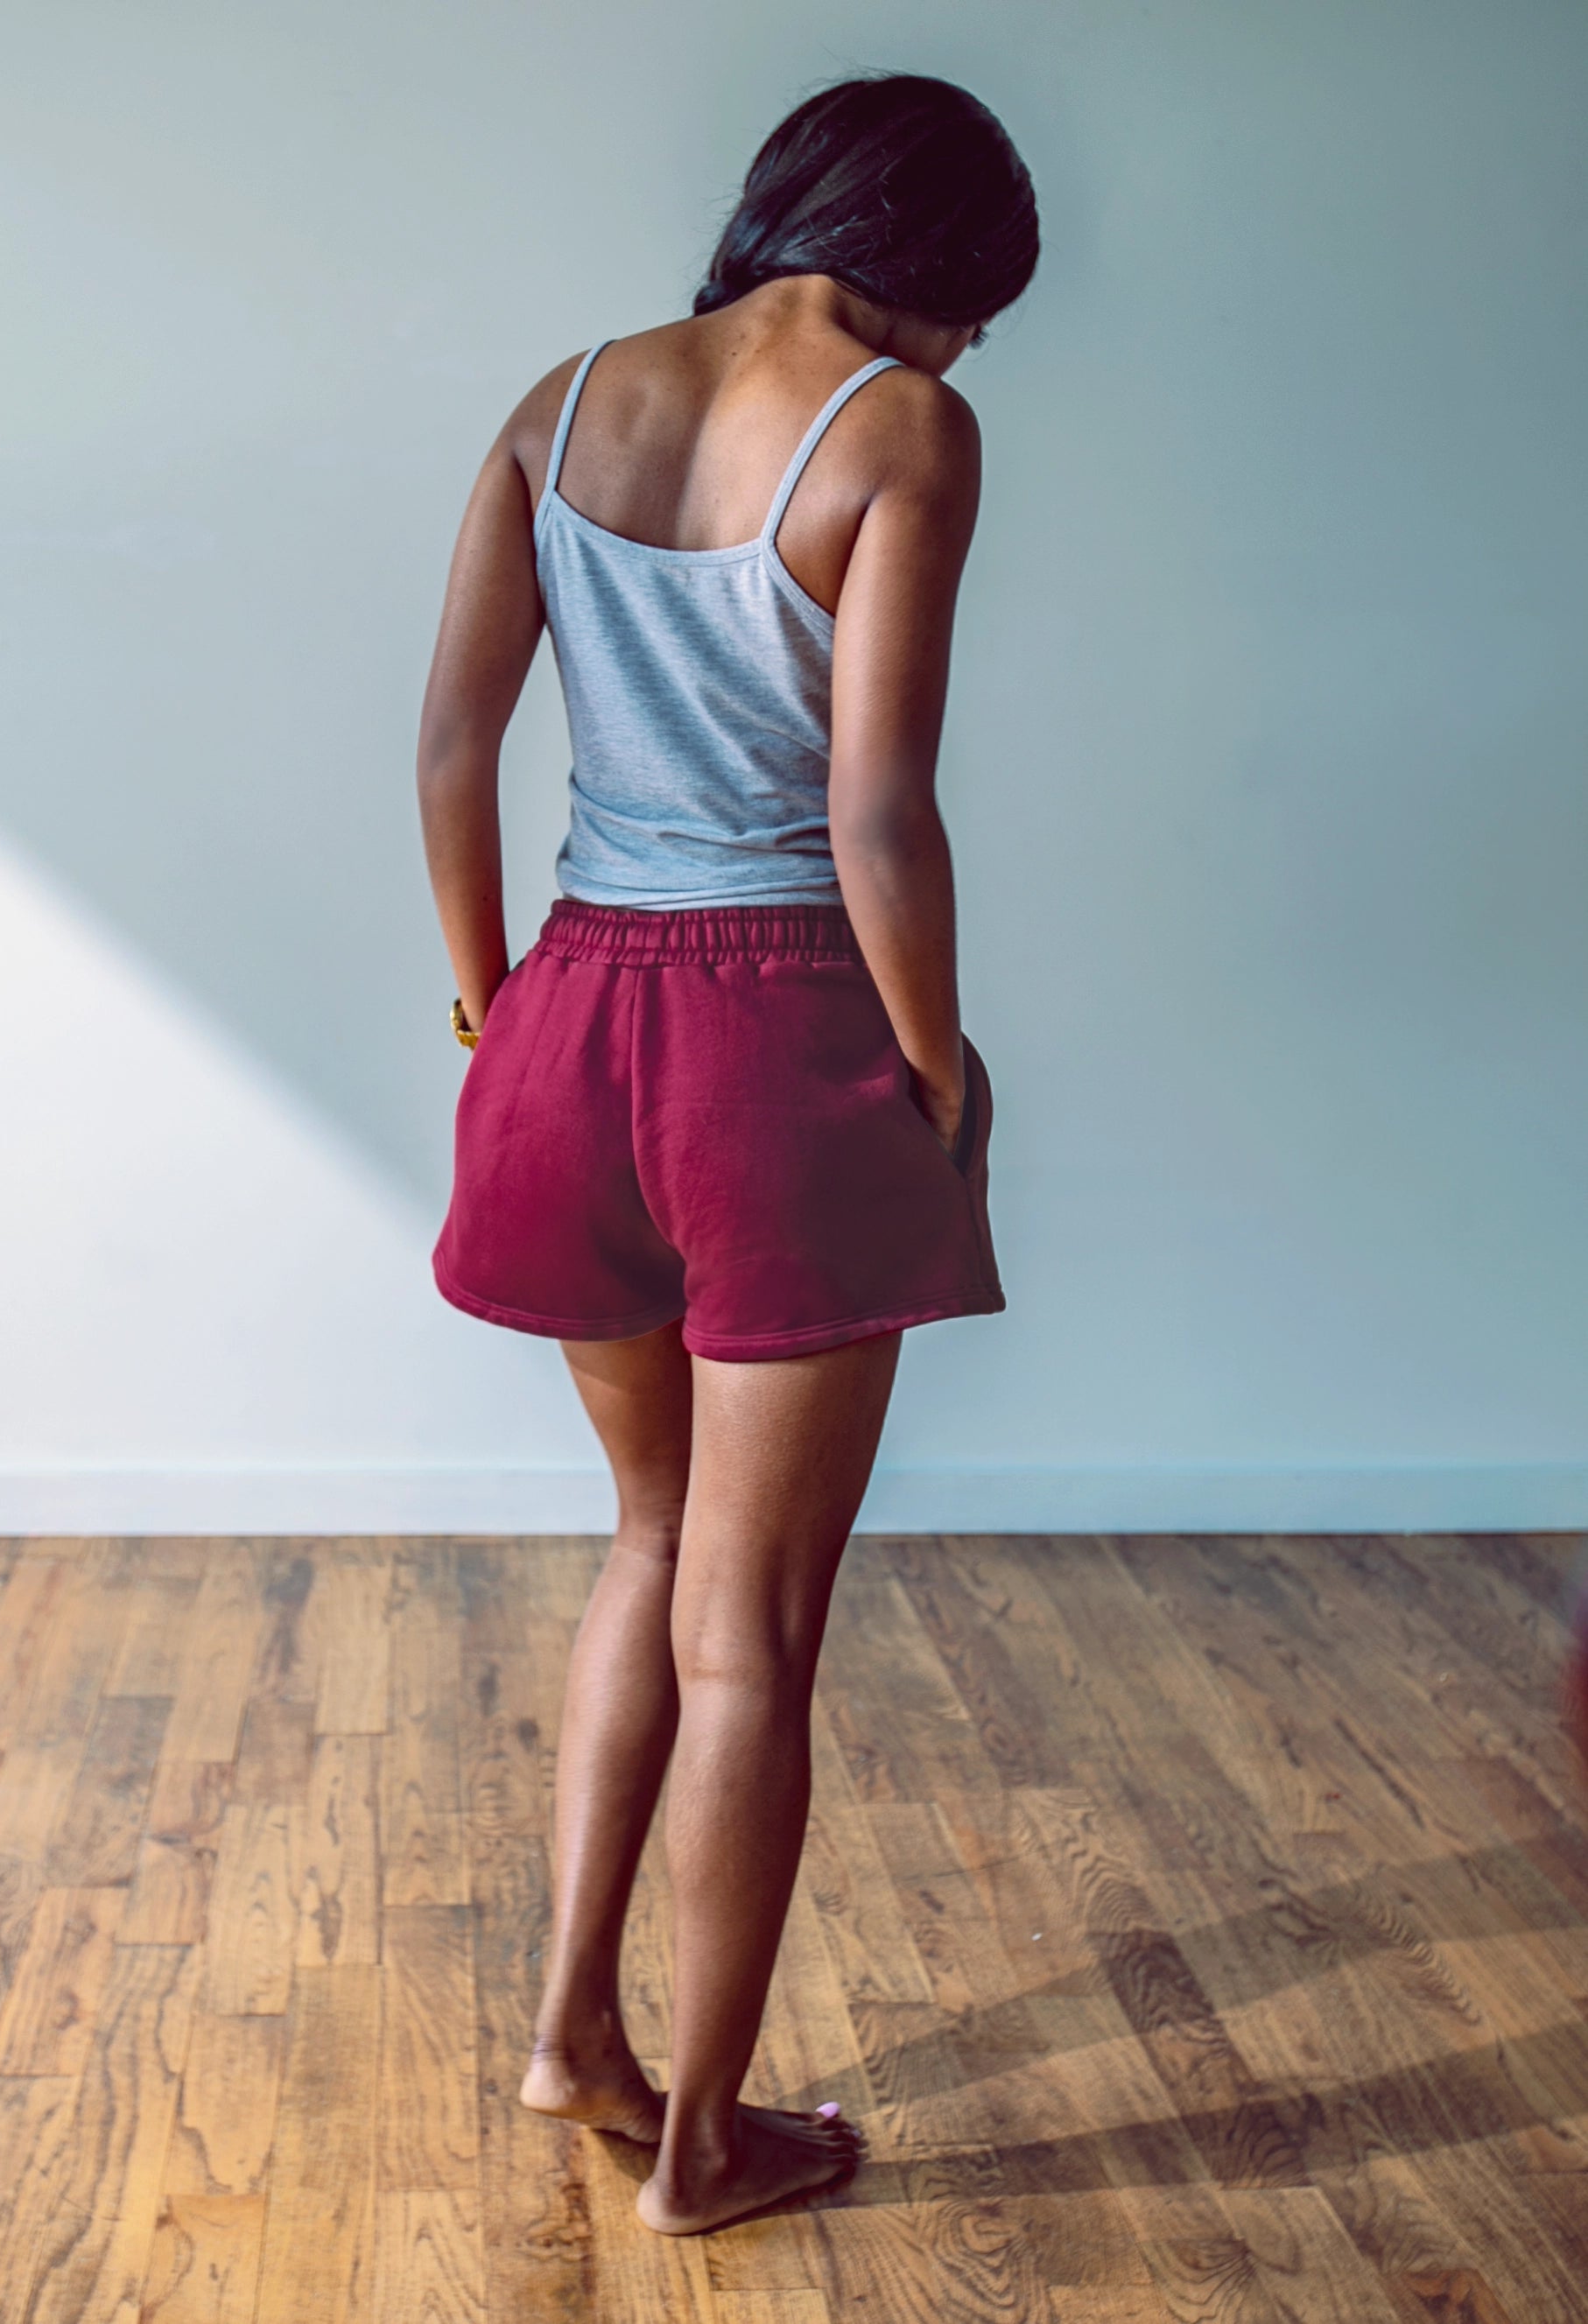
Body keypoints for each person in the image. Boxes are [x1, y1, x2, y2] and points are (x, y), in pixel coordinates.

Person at [415, 69, 1039, 2237]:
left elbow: (450, 742)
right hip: (775, 1032)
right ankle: (698, 2135)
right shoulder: (900, 427)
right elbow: (876, 814)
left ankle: (573, 2032)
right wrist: (936, 1066)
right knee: (752, 1627)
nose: (962, 359)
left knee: (646, 1537)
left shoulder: (564, 395)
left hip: (572, 1014)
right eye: (974, 311)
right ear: (934, 265)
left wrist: (490, 994)